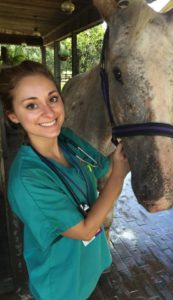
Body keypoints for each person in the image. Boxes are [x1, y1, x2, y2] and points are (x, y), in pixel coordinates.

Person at [0, 60, 130, 300]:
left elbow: (104, 168)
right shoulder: (27, 180)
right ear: (13, 116)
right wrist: (119, 177)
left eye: (52, 99)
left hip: (88, 265)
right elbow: (85, 229)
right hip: (60, 283)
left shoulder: (68, 140)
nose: (49, 113)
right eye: (31, 105)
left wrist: (134, 145)